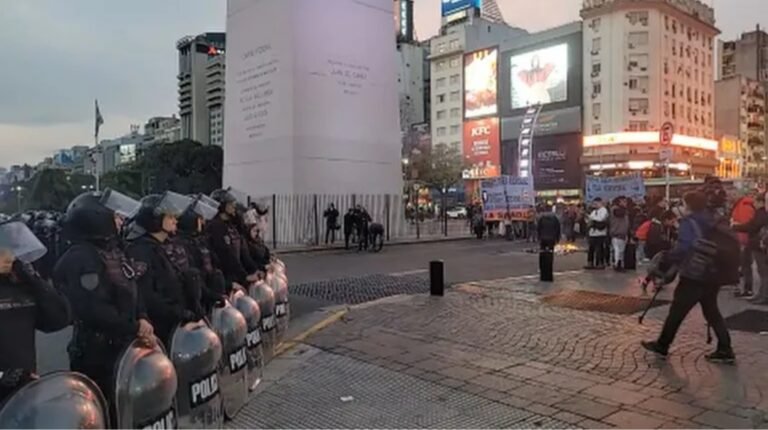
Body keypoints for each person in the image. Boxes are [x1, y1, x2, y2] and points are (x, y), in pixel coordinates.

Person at [54, 190, 153, 418]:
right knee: (102, 410)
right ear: (97, 219)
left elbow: (132, 287)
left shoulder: (114, 251)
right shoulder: (80, 258)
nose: (120, 221)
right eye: (115, 216)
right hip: (97, 352)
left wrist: (142, 317)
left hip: (125, 344)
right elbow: (94, 310)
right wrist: (134, 327)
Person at [642, 190, 735, 363]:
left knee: (676, 311)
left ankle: (662, 345)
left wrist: (668, 257)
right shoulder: (712, 218)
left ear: (689, 206)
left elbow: (684, 247)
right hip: (712, 273)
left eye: (684, 205)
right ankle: (725, 348)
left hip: (693, 275)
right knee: (712, 311)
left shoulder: (689, 222)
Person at [0, 221, 70, 402]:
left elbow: (60, 318)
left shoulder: (19, 286)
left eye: (10, 250)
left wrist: (33, 279)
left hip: (24, 390)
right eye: (1, 251)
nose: (8, 257)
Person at [126, 193, 198, 346]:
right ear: (155, 220)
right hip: (159, 328)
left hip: (173, 324)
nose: (175, 220)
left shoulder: (160, 246)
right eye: (170, 216)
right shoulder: (141, 250)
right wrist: (178, 313)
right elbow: (147, 295)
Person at [207, 189, 260, 290]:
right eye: (230, 204)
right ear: (221, 206)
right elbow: (226, 255)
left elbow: (243, 251)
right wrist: (244, 276)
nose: (233, 206)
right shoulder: (216, 227)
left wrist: (255, 269)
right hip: (227, 278)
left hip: (238, 275)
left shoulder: (231, 225)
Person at [732, 192, 768, 305]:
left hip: (759, 244)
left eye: (756, 202)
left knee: (763, 272)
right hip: (758, 244)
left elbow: (752, 226)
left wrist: (735, 226)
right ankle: (761, 294)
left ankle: (764, 296)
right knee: (762, 271)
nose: (754, 204)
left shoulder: (761, 213)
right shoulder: (761, 213)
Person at [731, 192, 757, 297]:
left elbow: (747, 225)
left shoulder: (744, 206)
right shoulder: (741, 205)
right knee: (744, 265)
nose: (730, 197)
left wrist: (743, 242)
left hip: (743, 240)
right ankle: (745, 288)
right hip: (741, 239)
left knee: (745, 265)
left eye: (732, 194)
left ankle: (747, 289)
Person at [585, 198, 609, 269]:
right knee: (591, 248)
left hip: (600, 233)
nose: (595, 205)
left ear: (600, 203)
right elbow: (590, 219)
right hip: (592, 232)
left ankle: (600, 263)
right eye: (594, 204)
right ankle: (590, 262)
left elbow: (601, 219)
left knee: (600, 248)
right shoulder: (594, 211)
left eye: (596, 203)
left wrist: (592, 219)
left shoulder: (604, 210)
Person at [610, 198, 630, 271]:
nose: (625, 203)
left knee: (621, 250)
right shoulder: (615, 209)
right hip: (617, 233)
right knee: (617, 250)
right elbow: (619, 213)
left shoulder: (625, 212)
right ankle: (617, 264)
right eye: (623, 201)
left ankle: (620, 263)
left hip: (623, 234)